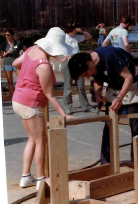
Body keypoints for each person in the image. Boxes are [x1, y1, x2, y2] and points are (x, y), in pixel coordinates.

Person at [12, 27, 76, 190]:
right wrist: (64, 114)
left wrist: (25, 79)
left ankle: (26, 177)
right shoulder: (44, 66)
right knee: (41, 140)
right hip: (30, 103)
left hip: (19, 99)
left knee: (32, 139)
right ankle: (41, 179)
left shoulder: (32, 50)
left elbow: (15, 64)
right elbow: (50, 95)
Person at [68, 46, 138, 163]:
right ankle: (106, 165)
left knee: (136, 129)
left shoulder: (109, 56)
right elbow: (97, 79)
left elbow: (128, 77)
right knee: (109, 127)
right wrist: (98, 91)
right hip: (113, 88)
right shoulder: (90, 63)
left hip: (131, 88)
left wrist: (120, 98)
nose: (88, 77)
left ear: (89, 63)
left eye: (86, 74)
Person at [62, 22, 93, 114]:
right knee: (68, 86)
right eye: (73, 30)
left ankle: (85, 106)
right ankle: (68, 108)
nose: (75, 32)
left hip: (78, 63)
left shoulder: (76, 37)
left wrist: (82, 31)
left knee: (81, 86)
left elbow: (89, 36)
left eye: (75, 30)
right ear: (69, 30)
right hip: (67, 62)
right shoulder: (63, 37)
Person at [1, 29, 27, 98]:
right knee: (10, 82)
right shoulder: (4, 44)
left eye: (8, 35)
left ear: (12, 35)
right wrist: (7, 53)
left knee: (21, 79)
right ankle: (13, 97)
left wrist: (23, 56)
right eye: (5, 35)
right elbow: (2, 56)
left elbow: (27, 50)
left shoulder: (18, 43)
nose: (6, 36)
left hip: (16, 63)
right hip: (7, 63)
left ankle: (22, 94)